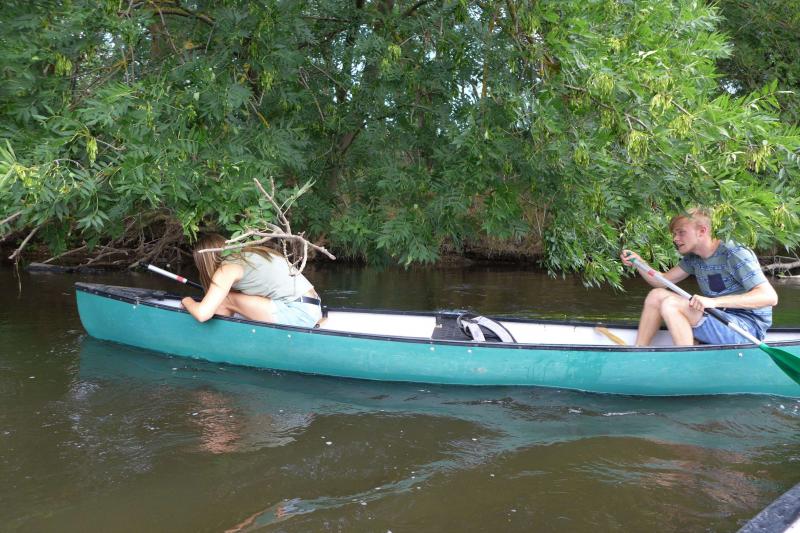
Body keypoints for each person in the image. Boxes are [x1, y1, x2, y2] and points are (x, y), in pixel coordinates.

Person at [620, 207, 778, 346]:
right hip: (717, 318)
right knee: (656, 295)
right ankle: (638, 351)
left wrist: (713, 302)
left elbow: (769, 297)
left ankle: (688, 361)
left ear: (702, 231)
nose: (675, 239)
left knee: (671, 304)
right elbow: (660, 281)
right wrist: (639, 262)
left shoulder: (734, 252)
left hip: (747, 329)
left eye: (681, 232)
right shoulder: (693, 258)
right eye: (674, 234)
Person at [181, 233, 322, 327]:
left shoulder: (226, 269)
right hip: (313, 308)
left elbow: (202, 314)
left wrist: (187, 301)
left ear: (204, 261)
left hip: (298, 314)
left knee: (225, 299)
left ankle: (220, 336)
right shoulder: (251, 253)